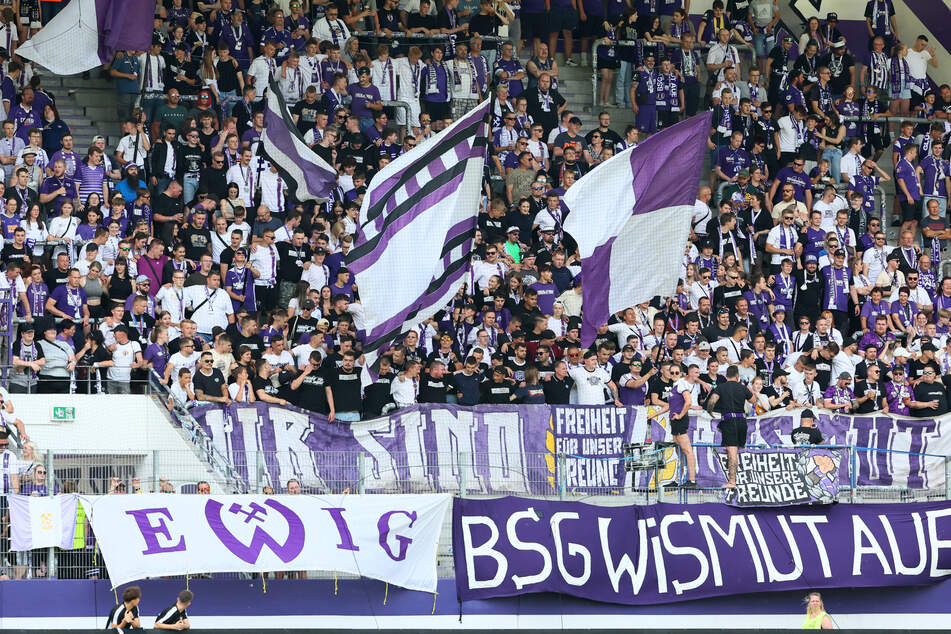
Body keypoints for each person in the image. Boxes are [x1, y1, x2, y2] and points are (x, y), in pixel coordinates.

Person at [705, 364, 756, 488]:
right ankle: (741, 478)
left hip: (729, 421)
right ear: (737, 376)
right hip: (742, 421)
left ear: (726, 376)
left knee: (731, 452)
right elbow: (753, 400)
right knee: (738, 450)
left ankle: (732, 481)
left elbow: (712, 401)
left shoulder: (721, 387)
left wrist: (710, 411)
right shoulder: (742, 387)